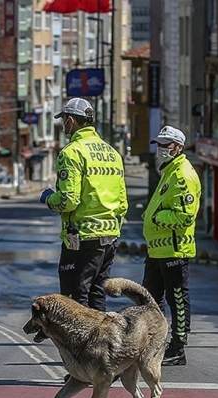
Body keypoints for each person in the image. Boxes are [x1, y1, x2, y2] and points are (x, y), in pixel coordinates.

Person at [40, 97, 128, 313]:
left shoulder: (71, 153)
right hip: (109, 238)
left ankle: (81, 336)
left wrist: (49, 199)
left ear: (71, 120)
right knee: (97, 294)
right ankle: (101, 335)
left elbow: (68, 201)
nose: (63, 125)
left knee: (75, 299)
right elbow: (122, 203)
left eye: (64, 120)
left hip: (81, 239)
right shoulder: (112, 154)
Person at [142, 125, 201, 366]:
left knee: (177, 299)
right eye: (159, 144)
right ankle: (153, 344)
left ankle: (178, 348)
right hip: (157, 249)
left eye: (166, 144)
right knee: (150, 299)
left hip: (174, 249)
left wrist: (156, 218)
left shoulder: (182, 175)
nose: (161, 149)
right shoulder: (169, 171)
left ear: (179, 147)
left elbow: (185, 216)